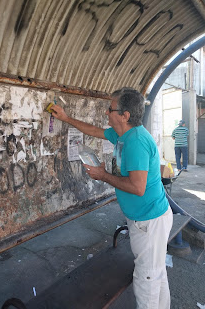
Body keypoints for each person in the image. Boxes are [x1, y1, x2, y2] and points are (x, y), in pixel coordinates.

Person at [51, 87, 173, 309]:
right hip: (144, 219)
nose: (106, 113)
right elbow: (94, 131)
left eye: (110, 109)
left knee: (146, 280)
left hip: (149, 222)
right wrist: (66, 118)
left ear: (125, 115)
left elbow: (138, 188)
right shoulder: (122, 134)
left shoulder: (136, 142)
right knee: (154, 274)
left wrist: (103, 175)